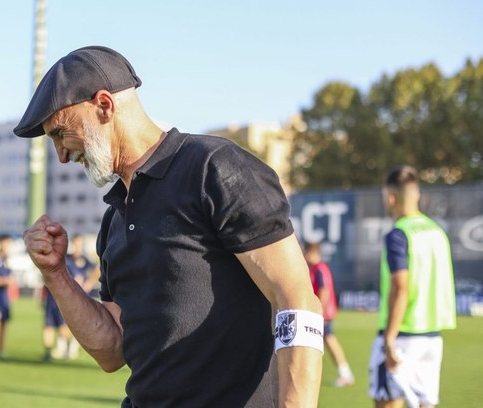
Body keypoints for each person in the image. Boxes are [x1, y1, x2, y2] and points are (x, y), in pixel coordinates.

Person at [17, 46, 323, 407]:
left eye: (60, 133)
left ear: (104, 106)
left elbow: (296, 299)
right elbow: (112, 350)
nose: (62, 155)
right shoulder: (115, 217)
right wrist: (55, 273)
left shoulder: (214, 168)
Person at [369, 165, 457, 408]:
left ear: (390, 196)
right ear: (417, 195)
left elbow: (400, 287)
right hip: (431, 338)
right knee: (424, 404)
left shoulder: (399, 234)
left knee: (386, 401)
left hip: (404, 335)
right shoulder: (437, 232)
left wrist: (389, 337)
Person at [303, 242, 355, 387]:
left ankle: (345, 373)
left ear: (313, 252)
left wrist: (318, 311)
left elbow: (324, 291)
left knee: (328, 342)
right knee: (325, 342)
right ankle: (344, 373)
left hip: (323, 313)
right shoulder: (316, 268)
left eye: (307, 252)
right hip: (323, 313)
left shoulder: (320, 268)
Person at [42, 234, 91, 361]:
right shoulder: (63, 258)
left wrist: (88, 284)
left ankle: (72, 345)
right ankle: (48, 353)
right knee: (48, 326)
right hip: (51, 297)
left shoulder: (77, 260)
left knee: (63, 327)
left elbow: (80, 276)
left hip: (65, 298)